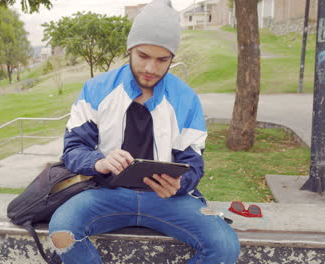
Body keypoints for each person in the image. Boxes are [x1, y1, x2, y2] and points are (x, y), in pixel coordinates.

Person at [48, 0, 240, 263]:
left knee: (225, 246)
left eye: (162, 59)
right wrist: (100, 162)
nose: (151, 68)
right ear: (129, 50)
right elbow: (73, 150)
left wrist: (180, 183)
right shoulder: (96, 90)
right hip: (105, 194)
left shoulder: (186, 99)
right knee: (62, 231)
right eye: (143, 56)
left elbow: (193, 162)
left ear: (173, 57)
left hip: (168, 200)